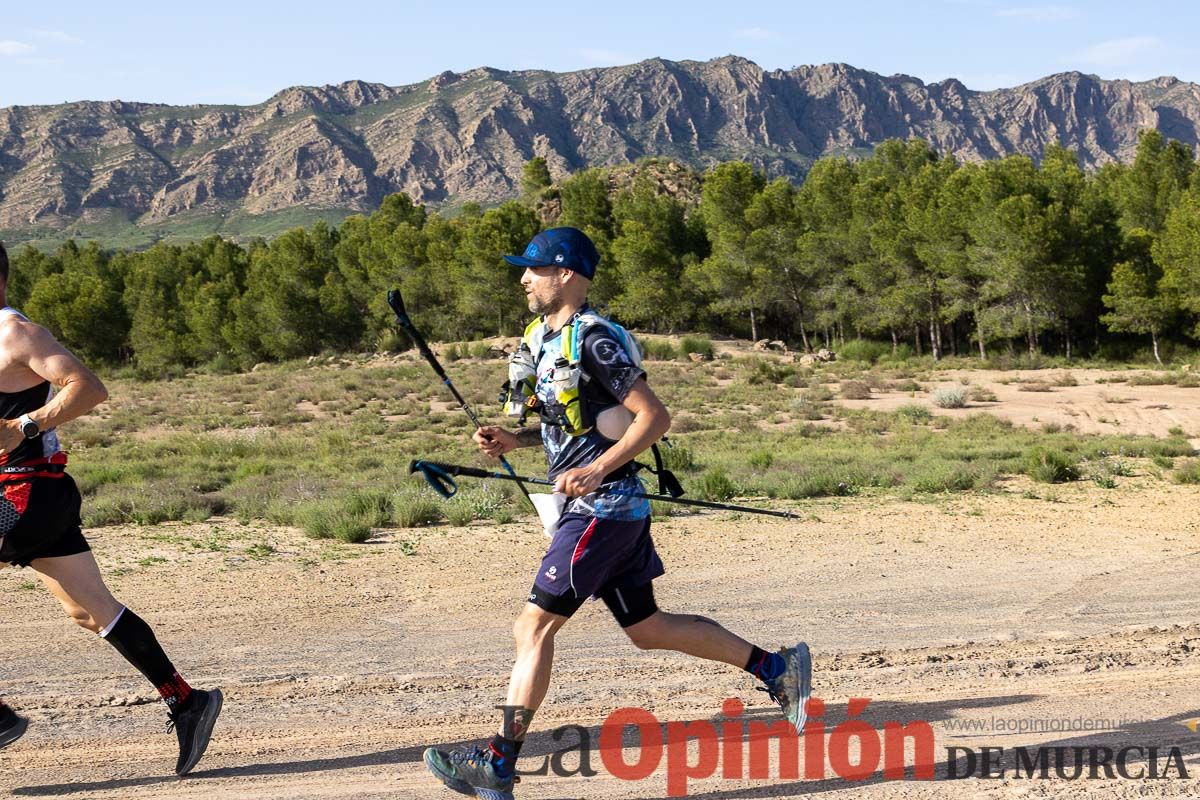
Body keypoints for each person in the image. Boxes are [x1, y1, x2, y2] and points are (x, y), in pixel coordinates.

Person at [423, 228, 811, 799]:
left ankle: (498, 763)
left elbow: (653, 417)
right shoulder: (540, 339)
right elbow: (572, 424)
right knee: (648, 630)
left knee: (532, 626)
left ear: (568, 275)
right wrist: (515, 439)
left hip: (603, 509)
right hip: (606, 509)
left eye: (534, 268)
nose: (523, 279)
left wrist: (599, 469)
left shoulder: (594, 339)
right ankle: (777, 670)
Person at [0, 242, 222, 775]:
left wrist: (25, 426)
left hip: (27, 492)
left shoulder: (15, 333)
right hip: (30, 500)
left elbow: (89, 387)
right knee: (88, 609)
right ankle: (187, 700)